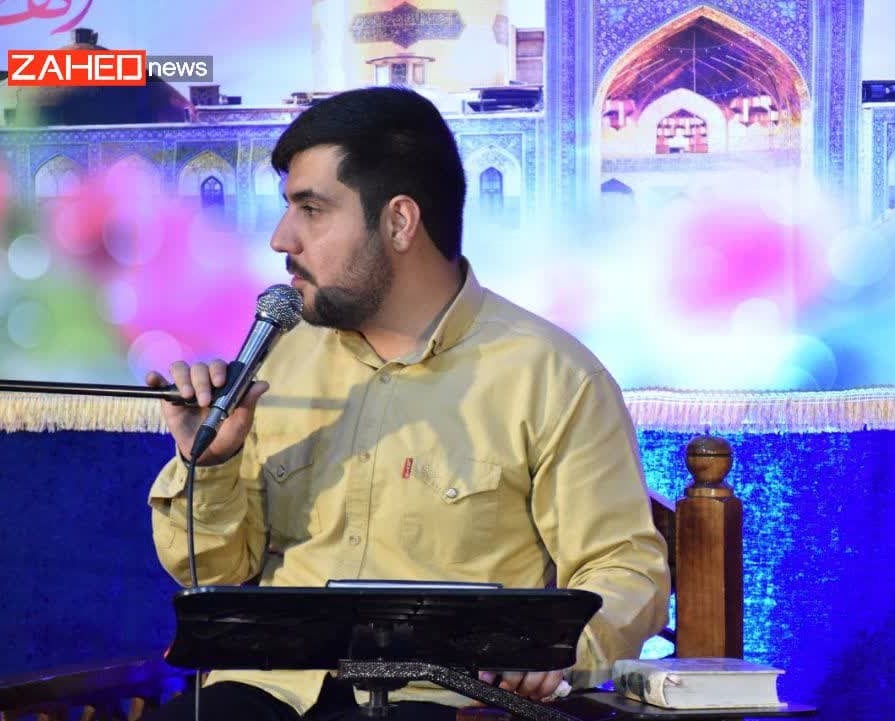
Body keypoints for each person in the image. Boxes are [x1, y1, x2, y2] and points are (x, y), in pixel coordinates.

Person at [144, 86, 669, 721]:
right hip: (271, 691)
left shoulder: (552, 374)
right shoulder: (279, 361)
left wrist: (559, 650)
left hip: (444, 700)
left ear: (399, 221)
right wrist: (209, 463)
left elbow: (624, 568)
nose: (282, 239)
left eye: (311, 209)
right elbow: (215, 572)